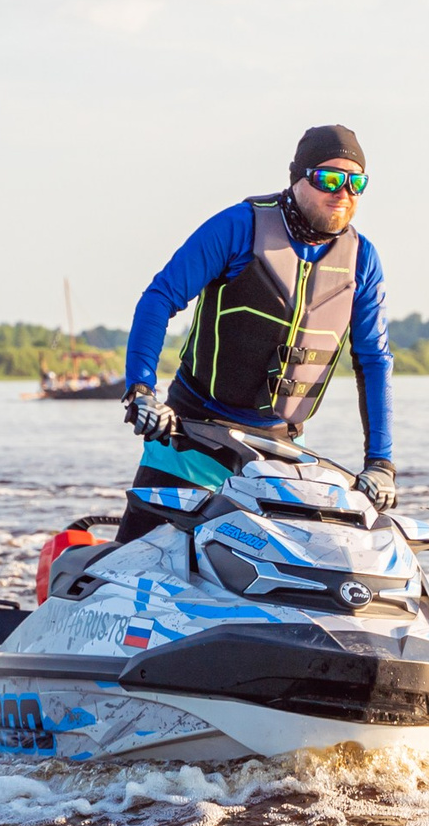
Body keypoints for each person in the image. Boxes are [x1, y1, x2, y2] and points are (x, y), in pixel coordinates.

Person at [115, 124, 394, 540]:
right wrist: (141, 391)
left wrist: (381, 464)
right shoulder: (238, 227)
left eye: (356, 183)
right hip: (191, 433)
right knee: (137, 559)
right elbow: (159, 298)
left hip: (276, 453)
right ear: (297, 178)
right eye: (329, 179)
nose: (343, 192)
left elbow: (373, 361)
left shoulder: (362, 260)